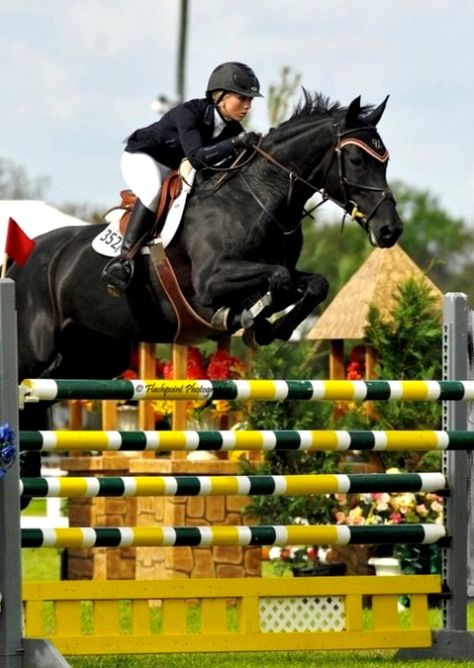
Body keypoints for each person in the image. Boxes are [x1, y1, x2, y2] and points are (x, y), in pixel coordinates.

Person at [102, 61, 263, 297]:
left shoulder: (232, 130)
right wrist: (235, 144)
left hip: (172, 169)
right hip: (142, 157)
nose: (248, 106)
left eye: (250, 100)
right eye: (243, 98)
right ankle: (124, 260)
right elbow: (197, 158)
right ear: (221, 97)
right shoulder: (191, 112)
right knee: (153, 191)